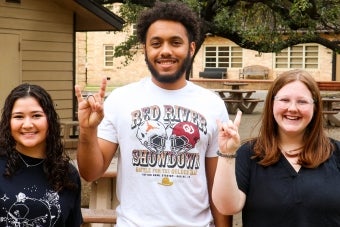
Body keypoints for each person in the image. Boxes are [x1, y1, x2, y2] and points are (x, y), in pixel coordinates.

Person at [75, 1, 232, 226]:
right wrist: (88, 130)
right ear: (145, 50)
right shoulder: (121, 99)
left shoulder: (212, 105)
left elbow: (217, 186)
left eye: (175, 42)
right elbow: (91, 173)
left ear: (191, 48)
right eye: (156, 43)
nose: (165, 51)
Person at [212, 69, 340, 226]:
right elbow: (227, 207)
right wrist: (226, 153)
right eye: (285, 100)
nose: (292, 108)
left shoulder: (336, 153)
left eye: (302, 101)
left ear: (315, 107)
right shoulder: (250, 153)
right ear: (272, 103)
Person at [0, 83, 83, 226]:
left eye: (36, 115)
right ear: (9, 122)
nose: (27, 124)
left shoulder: (68, 175)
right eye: (19, 116)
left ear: (49, 120)